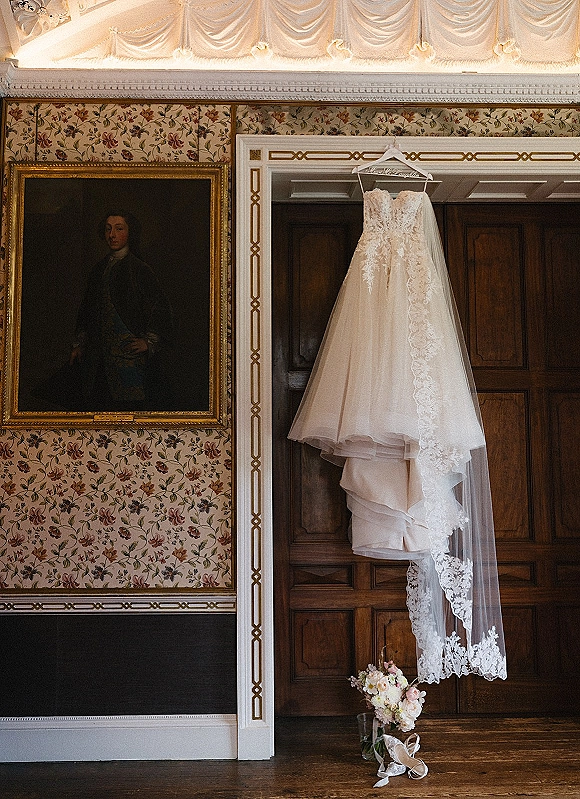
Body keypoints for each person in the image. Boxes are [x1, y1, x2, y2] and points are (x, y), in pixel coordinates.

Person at [70, 210, 173, 411]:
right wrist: (79, 343)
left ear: (130, 232)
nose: (112, 235)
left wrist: (148, 341)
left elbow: (160, 308)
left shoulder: (140, 269)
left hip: (130, 359)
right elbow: (86, 310)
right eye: (108, 229)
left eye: (119, 229)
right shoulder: (98, 270)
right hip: (98, 359)